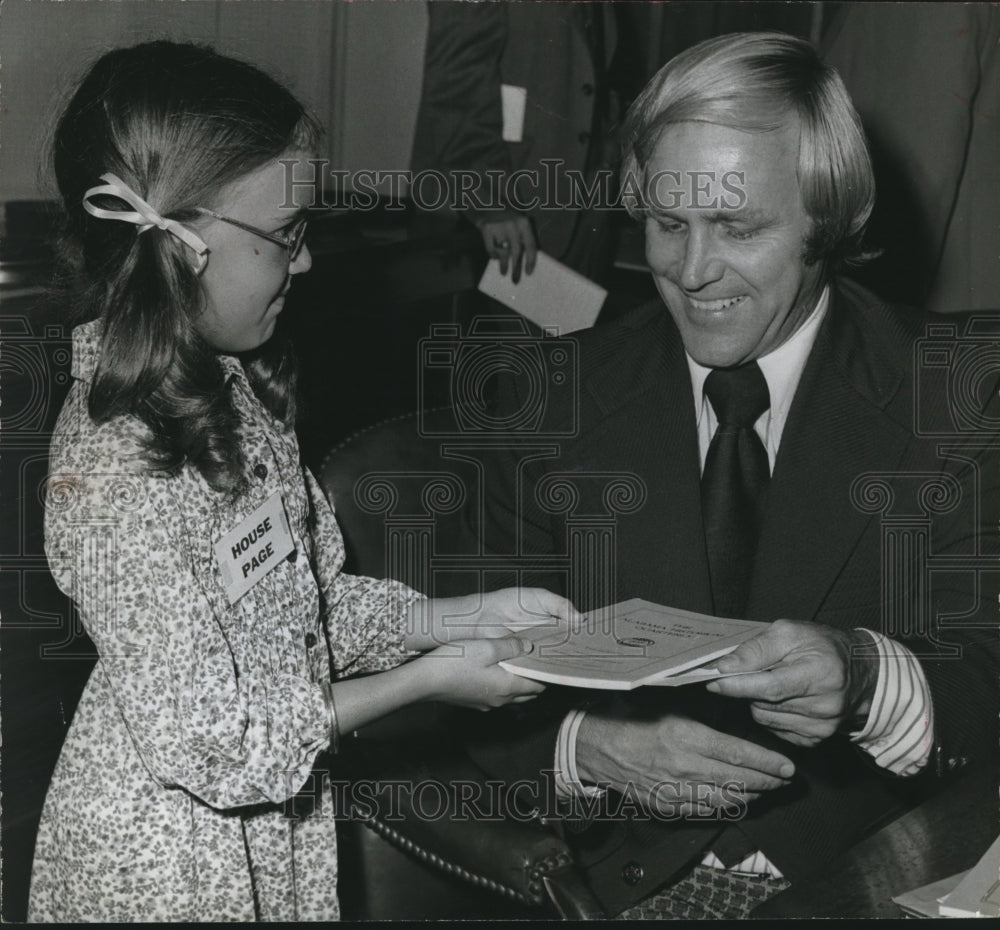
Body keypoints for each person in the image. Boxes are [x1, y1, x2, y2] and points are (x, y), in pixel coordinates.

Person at [27, 41, 579, 923]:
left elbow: (305, 609)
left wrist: (459, 618)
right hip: (168, 871)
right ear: (180, 242)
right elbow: (219, 740)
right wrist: (430, 679)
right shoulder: (112, 468)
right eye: (286, 237)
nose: (308, 261)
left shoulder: (232, 395)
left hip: (269, 835)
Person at [466, 32, 1000, 919]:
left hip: (879, 871)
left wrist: (865, 679)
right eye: (668, 223)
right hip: (615, 883)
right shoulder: (544, 397)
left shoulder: (954, 395)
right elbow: (453, 682)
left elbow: (987, 668)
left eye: (739, 228)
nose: (690, 270)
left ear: (826, 220)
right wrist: (585, 747)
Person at [410, 0, 641, 284]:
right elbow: (455, 91)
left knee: (570, 327)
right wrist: (491, 204)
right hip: (502, 210)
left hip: (583, 205)